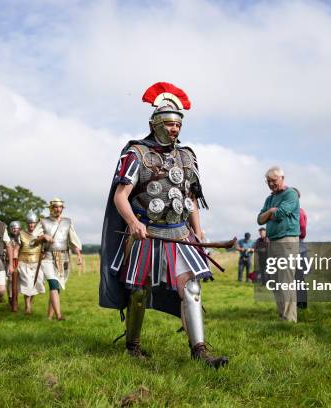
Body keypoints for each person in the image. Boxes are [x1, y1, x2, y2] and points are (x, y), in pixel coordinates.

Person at [99, 82, 228, 368]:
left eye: (178, 124)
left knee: (192, 288)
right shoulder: (137, 154)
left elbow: (191, 198)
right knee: (138, 292)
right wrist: (133, 222)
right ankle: (133, 344)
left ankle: (200, 351)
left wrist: (199, 231)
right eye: (169, 124)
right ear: (155, 123)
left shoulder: (187, 156)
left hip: (180, 234)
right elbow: (121, 195)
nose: (175, 129)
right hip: (147, 234)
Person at [258, 166, 300, 322]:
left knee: (286, 280)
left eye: (273, 180)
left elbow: (281, 212)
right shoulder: (269, 198)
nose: (270, 184)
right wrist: (270, 212)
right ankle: (282, 315)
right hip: (273, 241)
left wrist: (269, 213)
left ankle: (290, 319)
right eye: (268, 181)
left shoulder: (291, 194)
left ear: (282, 178)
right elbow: (259, 219)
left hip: (287, 240)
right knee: (275, 281)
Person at [33, 198, 83, 321]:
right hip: (48, 257)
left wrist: (79, 255)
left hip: (63, 257)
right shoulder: (43, 222)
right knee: (53, 284)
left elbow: (73, 240)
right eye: (55, 207)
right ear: (51, 208)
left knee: (57, 286)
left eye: (60, 207)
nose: (58, 209)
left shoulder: (67, 222)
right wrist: (43, 237)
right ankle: (59, 315)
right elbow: (32, 239)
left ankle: (49, 316)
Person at [15, 212, 46, 315]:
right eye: (29, 223)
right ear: (26, 223)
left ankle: (29, 304)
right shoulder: (21, 234)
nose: (31, 225)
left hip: (37, 264)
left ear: (36, 223)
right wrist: (15, 261)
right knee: (28, 285)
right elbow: (17, 248)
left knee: (35, 286)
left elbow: (44, 248)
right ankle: (27, 306)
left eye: (33, 223)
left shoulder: (40, 234)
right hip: (24, 263)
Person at [292, 187, 308, 309]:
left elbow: (302, 231)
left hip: (298, 244)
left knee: (298, 275)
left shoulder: (299, 212)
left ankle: (301, 303)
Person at [7, 220, 22, 312]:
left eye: (16, 228)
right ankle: (11, 300)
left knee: (19, 283)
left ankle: (15, 300)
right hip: (8, 262)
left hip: (20, 262)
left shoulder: (22, 238)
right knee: (10, 282)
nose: (14, 230)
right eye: (12, 228)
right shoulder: (7, 238)